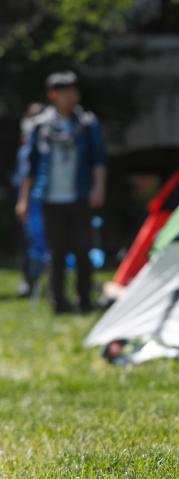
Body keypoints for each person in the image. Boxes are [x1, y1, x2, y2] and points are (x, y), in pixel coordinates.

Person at [15, 71, 108, 313]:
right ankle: (59, 302)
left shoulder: (87, 125)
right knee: (56, 251)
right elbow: (30, 165)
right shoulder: (40, 126)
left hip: (79, 195)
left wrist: (98, 188)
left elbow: (99, 159)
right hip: (49, 197)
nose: (72, 96)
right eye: (66, 92)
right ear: (53, 95)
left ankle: (85, 299)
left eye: (74, 91)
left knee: (82, 249)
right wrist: (23, 199)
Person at [10, 103, 47, 297]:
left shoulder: (43, 144)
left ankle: (43, 283)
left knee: (42, 242)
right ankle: (29, 281)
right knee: (29, 242)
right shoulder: (25, 145)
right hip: (28, 200)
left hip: (42, 199)